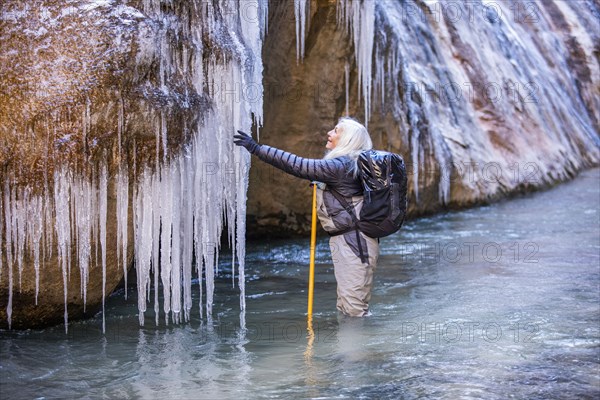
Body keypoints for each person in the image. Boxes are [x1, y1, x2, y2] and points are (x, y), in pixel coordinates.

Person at [234, 117, 379, 317]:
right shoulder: (349, 165)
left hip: (355, 243)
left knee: (353, 307)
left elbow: (299, 165)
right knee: (348, 304)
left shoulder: (342, 165)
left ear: (347, 139)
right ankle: (350, 345)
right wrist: (323, 184)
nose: (329, 133)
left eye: (336, 131)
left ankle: (360, 347)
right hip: (351, 241)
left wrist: (257, 149)